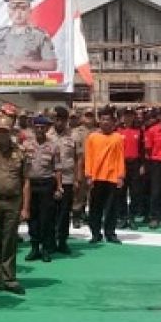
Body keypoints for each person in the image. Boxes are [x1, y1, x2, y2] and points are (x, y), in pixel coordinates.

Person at [0, 116, 30, 295]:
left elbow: (26, 181)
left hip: (13, 201)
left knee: (9, 240)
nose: (2, 134)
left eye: (6, 131)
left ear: (11, 132)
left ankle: (9, 279)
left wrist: (25, 207)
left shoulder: (20, 151)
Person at [0, 0, 57, 73]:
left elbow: (51, 64)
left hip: (29, 85)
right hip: (3, 85)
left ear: (30, 11)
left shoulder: (39, 35)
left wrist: (25, 63)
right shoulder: (0, 35)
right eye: (14, 8)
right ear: (8, 11)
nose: (18, 13)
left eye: (23, 8)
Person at [84, 108, 126, 242]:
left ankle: (110, 232)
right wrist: (88, 175)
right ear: (99, 121)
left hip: (112, 177)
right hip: (96, 177)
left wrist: (120, 176)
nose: (105, 122)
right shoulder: (92, 137)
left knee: (112, 207)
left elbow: (120, 157)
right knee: (95, 207)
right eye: (103, 119)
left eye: (108, 119)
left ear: (113, 122)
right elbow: (88, 157)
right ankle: (96, 233)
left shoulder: (118, 138)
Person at [23, 115, 61, 262]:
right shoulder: (26, 145)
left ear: (46, 128)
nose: (39, 129)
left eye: (42, 127)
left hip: (46, 184)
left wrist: (58, 187)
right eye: (37, 127)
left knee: (46, 218)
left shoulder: (53, 146)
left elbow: (57, 168)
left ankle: (46, 249)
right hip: (30, 185)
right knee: (32, 218)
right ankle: (34, 248)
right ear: (33, 128)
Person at [50, 107, 80, 253]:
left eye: (62, 119)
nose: (59, 122)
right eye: (56, 119)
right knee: (49, 211)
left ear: (66, 120)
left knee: (64, 212)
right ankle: (49, 241)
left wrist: (77, 178)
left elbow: (78, 158)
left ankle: (62, 241)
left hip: (68, 178)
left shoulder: (73, 136)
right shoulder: (47, 134)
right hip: (50, 179)